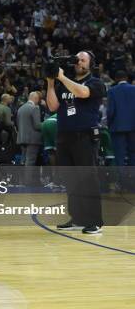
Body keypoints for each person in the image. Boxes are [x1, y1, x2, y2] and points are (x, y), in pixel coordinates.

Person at [46, 51, 105, 234]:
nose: (78, 61)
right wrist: (50, 83)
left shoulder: (95, 83)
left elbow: (82, 92)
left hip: (85, 136)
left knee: (88, 179)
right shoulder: (64, 84)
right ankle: (77, 218)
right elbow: (52, 107)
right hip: (64, 135)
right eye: (77, 59)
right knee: (71, 180)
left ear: (90, 64)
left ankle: (94, 221)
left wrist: (62, 78)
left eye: (83, 59)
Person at [107, 70, 135, 167]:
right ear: (126, 78)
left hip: (117, 127)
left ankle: (122, 181)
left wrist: (109, 124)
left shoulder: (112, 91)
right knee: (133, 154)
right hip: (133, 127)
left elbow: (111, 111)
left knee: (120, 157)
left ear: (115, 79)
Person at [16, 91, 42, 186]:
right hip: (32, 139)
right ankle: (28, 183)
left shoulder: (20, 108)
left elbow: (18, 124)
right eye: (38, 99)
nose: (38, 101)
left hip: (22, 138)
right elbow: (37, 126)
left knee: (24, 161)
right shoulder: (34, 108)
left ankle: (22, 181)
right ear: (35, 99)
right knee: (30, 162)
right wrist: (47, 123)